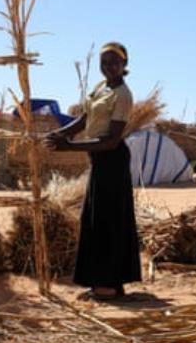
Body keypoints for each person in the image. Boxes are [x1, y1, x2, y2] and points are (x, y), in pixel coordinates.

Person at [44, 42, 141, 300]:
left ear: (124, 64)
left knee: (108, 222)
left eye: (114, 62)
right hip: (99, 160)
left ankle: (109, 285)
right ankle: (102, 282)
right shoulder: (101, 88)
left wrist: (68, 147)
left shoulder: (123, 94)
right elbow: (85, 120)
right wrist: (59, 134)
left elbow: (111, 140)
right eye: (104, 62)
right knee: (95, 221)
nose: (108, 67)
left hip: (112, 160)